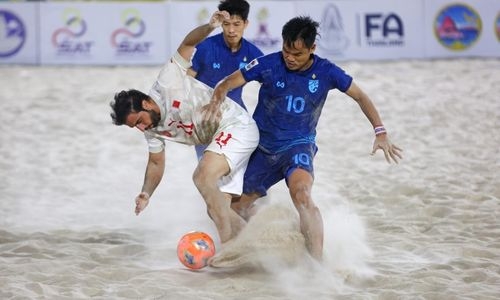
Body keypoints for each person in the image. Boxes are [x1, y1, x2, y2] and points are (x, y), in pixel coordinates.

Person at [207, 16, 403, 260]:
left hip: (297, 147)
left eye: (298, 54)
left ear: (312, 49)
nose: (290, 57)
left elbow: (361, 96)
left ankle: (316, 264)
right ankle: (266, 236)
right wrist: (216, 101)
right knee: (232, 209)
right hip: (262, 150)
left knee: (301, 194)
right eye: (286, 50)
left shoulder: (327, 71)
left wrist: (380, 131)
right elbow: (226, 83)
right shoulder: (268, 64)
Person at [109, 11, 259, 245]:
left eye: (139, 121)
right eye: (135, 127)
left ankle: (229, 248)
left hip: (235, 125)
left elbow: (188, 43)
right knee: (218, 207)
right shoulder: (151, 127)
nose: (140, 128)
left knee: (202, 177)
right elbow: (156, 163)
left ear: (147, 103)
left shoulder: (167, 80)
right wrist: (146, 193)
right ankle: (257, 242)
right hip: (215, 140)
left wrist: (210, 26)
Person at [188, 0, 264, 160]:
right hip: (205, 117)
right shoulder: (205, 47)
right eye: (226, 24)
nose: (231, 30)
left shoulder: (253, 53)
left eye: (237, 24)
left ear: (246, 23)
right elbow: (187, 81)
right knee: (207, 171)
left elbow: (270, 83)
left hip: (235, 114)